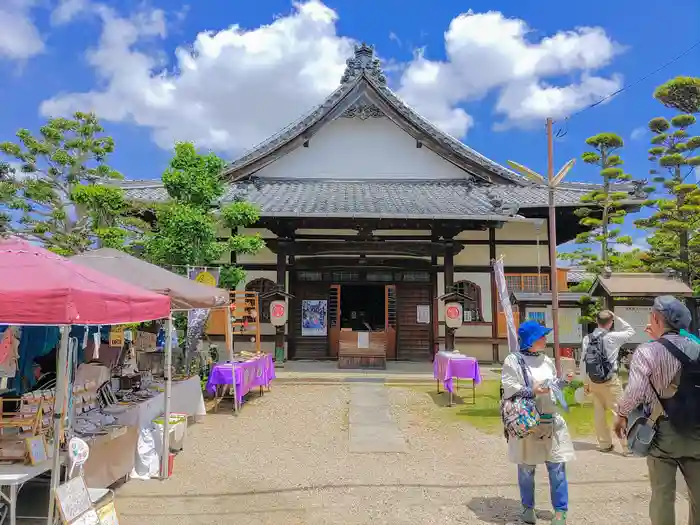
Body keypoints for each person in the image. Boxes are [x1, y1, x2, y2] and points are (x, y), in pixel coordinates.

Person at [613, 296, 700, 525]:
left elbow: (636, 391)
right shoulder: (697, 346)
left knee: (662, 496)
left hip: (663, 433)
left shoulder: (647, 352)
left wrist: (622, 414)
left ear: (656, 318)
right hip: (697, 431)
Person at [502, 320, 575, 525]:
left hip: (550, 419)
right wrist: (533, 391)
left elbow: (551, 386)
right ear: (530, 340)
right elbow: (509, 387)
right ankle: (527, 508)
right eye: (541, 336)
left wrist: (563, 381)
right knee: (526, 467)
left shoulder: (546, 360)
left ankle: (560, 511)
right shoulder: (513, 361)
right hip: (528, 421)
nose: (545, 339)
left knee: (557, 465)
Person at [579, 310, 635, 454]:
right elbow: (630, 331)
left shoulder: (587, 338)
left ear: (596, 321)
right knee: (619, 412)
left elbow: (583, 362)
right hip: (610, 381)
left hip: (593, 381)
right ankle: (626, 446)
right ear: (610, 323)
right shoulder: (613, 337)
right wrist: (616, 316)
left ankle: (604, 444)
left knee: (599, 413)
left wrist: (585, 382)